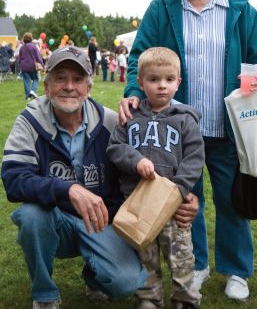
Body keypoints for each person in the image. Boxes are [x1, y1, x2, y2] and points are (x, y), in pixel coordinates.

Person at [119, 0, 257, 301]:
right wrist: (135, 91)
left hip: (227, 126)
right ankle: (197, 264)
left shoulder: (240, 9)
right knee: (185, 199)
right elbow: (138, 57)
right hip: (177, 128)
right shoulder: (162, 8)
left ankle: (235, 270)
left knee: (232, 198)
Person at [1, 46, 147, 309]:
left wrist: (183, 192)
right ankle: (44, 294)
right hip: (55, 221)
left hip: (102, 221)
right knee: (30, 216)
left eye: (78, 79)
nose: (69, 86)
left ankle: (94, 276)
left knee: (127, 282)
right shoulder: (29, 121)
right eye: (60, 78)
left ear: (88, 88)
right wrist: (68, 190)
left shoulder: (110, 122)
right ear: (46, 86)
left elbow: (143, 166)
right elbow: (13, 178)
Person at [107, 47, 205, 309]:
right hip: (138, 203)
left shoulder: (185, 120)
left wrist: (180, 189)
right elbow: (115, 147)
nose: (162, 86)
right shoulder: (130, 117)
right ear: (140, 82)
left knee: (181, 257)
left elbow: (195, 158)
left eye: (169, 80)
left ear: (178, 83)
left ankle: (185, 299)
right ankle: (149, 299)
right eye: (153, 80)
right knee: (145, 256)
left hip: (172, 206)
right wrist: (136, 161)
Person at [19, 32, 44, 100]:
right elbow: (38, 57)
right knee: (36, 79)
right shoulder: (34, 46)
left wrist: (20, 65)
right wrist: (42, 64)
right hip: (32, 65)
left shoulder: (21, 47)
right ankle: (33, 90)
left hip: (24, 66)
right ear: (31, 38)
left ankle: (27, 97)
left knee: (26, 81)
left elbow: (20, 57)